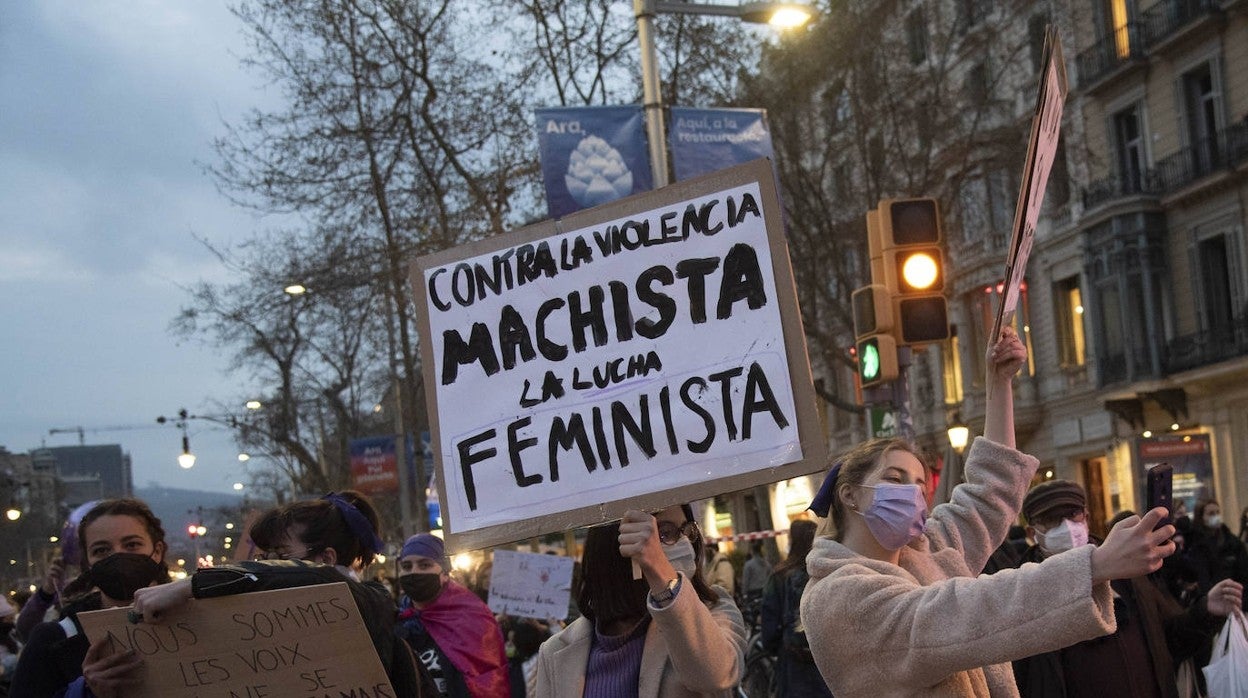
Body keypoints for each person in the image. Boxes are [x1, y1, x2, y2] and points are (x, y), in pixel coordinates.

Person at [799, 327, 1179, 696]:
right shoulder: (838, 596)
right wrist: (1096, 565)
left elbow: (988, 496)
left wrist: (999, 385)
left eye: (919, 484)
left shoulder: (926, 553)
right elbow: (962, 612)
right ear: (849, 495)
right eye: (895, 479)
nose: (913, 495)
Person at [130, 491, 430, 697]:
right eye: (265, 558)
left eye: (280, 556)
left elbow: (321, 581)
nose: (267, 566)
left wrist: (194, 584)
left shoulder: (369, 602)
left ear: (325, 559)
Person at [1009, 480, 1240, 698]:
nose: (1066, 527)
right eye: (1052, 519)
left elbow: (1168, 640)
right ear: (1032, 533)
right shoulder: (1026, 595)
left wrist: (1206, 609)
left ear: (1086, 518)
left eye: (1072, 515)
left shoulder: (1125, 572)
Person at [533, 505, 747, 697]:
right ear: (615, 546)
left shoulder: (713, 610)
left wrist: (662, 575)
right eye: (663, 533)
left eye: (686, 530)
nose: (683, 543)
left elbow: (715, 677)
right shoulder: (555, 652)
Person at [9, 498, 172, 698]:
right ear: (87, 562)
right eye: (101, 550)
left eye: (132, 545)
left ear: (157, 552)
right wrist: (84, 693)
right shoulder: (53, 640)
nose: (117, 556)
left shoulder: (197, 618)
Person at [394, 532, 511, 697]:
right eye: (407, 567)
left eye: (425, 565)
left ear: (444, 573)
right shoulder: (394, 621)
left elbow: (490, 682)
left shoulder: (473, 618)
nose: (414, 572)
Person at [760, 519, 829, 698]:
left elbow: (769, 629)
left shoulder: (779, 576)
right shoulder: (827, 573)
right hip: (829, 665)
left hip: (794, 666)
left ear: (793, 542)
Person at [1185, 498, 1248, 594]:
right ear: (1201, 518)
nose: (1216, 516)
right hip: (1210, 599)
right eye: (1211, 514)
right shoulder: (1196, 546)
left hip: (1235, 596)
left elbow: (1243, 574)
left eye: (1218, 512)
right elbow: (1201, 578)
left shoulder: (1233, 543)